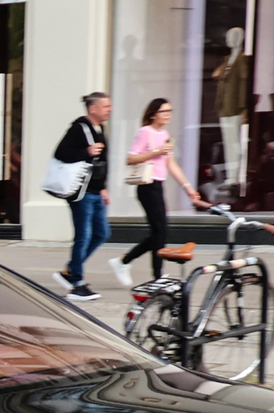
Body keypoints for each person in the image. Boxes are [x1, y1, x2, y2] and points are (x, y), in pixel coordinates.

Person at [113, 97, 204, 286]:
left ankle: (124, 261)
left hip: (158, 185)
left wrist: (188, 188)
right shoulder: (145, 132)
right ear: (154, 114)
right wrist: (156, 151)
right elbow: (130, 159)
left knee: (159, 231)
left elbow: (171, 164)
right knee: (160, 230)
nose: (168, 115)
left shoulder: (164, 134)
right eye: (164, 111)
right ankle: (156, 275)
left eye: (170, 111)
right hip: (146, 186)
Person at [52, 92, 112, 300]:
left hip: (95, 190)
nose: (109, 110)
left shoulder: (100, 128)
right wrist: (86, 151)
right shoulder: (78, 128)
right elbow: (61, 153)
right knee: (83, 235)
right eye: (105, 106)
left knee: (102, 233)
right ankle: (77, 283)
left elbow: (102, 162)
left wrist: (103, 187)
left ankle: (69, 270)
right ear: (92, 109)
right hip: (81, 191)